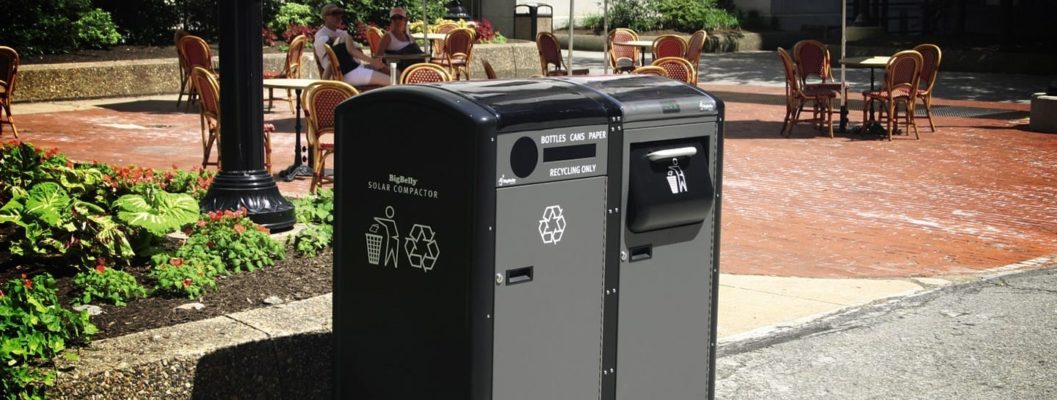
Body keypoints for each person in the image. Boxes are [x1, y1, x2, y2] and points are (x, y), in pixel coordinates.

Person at [313, 4, 390, 87]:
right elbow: (334, 60)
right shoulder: (322, 37)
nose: (339, 16)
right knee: (391, 81)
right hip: (343, 74)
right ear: (325, 17)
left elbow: (356, 51)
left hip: (353, 69)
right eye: (334, 13)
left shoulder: (341, 33)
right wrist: (372, 61)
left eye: (340, 13)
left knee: (388, 71)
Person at [377, 7, 424, 71]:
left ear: (405, 20)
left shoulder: (410, 38)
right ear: (391, 21)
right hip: (397, 69)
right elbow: (378, 57)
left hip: (414, 69)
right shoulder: (388, 37)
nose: (397, 21)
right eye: (394, 18)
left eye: (400, 18)